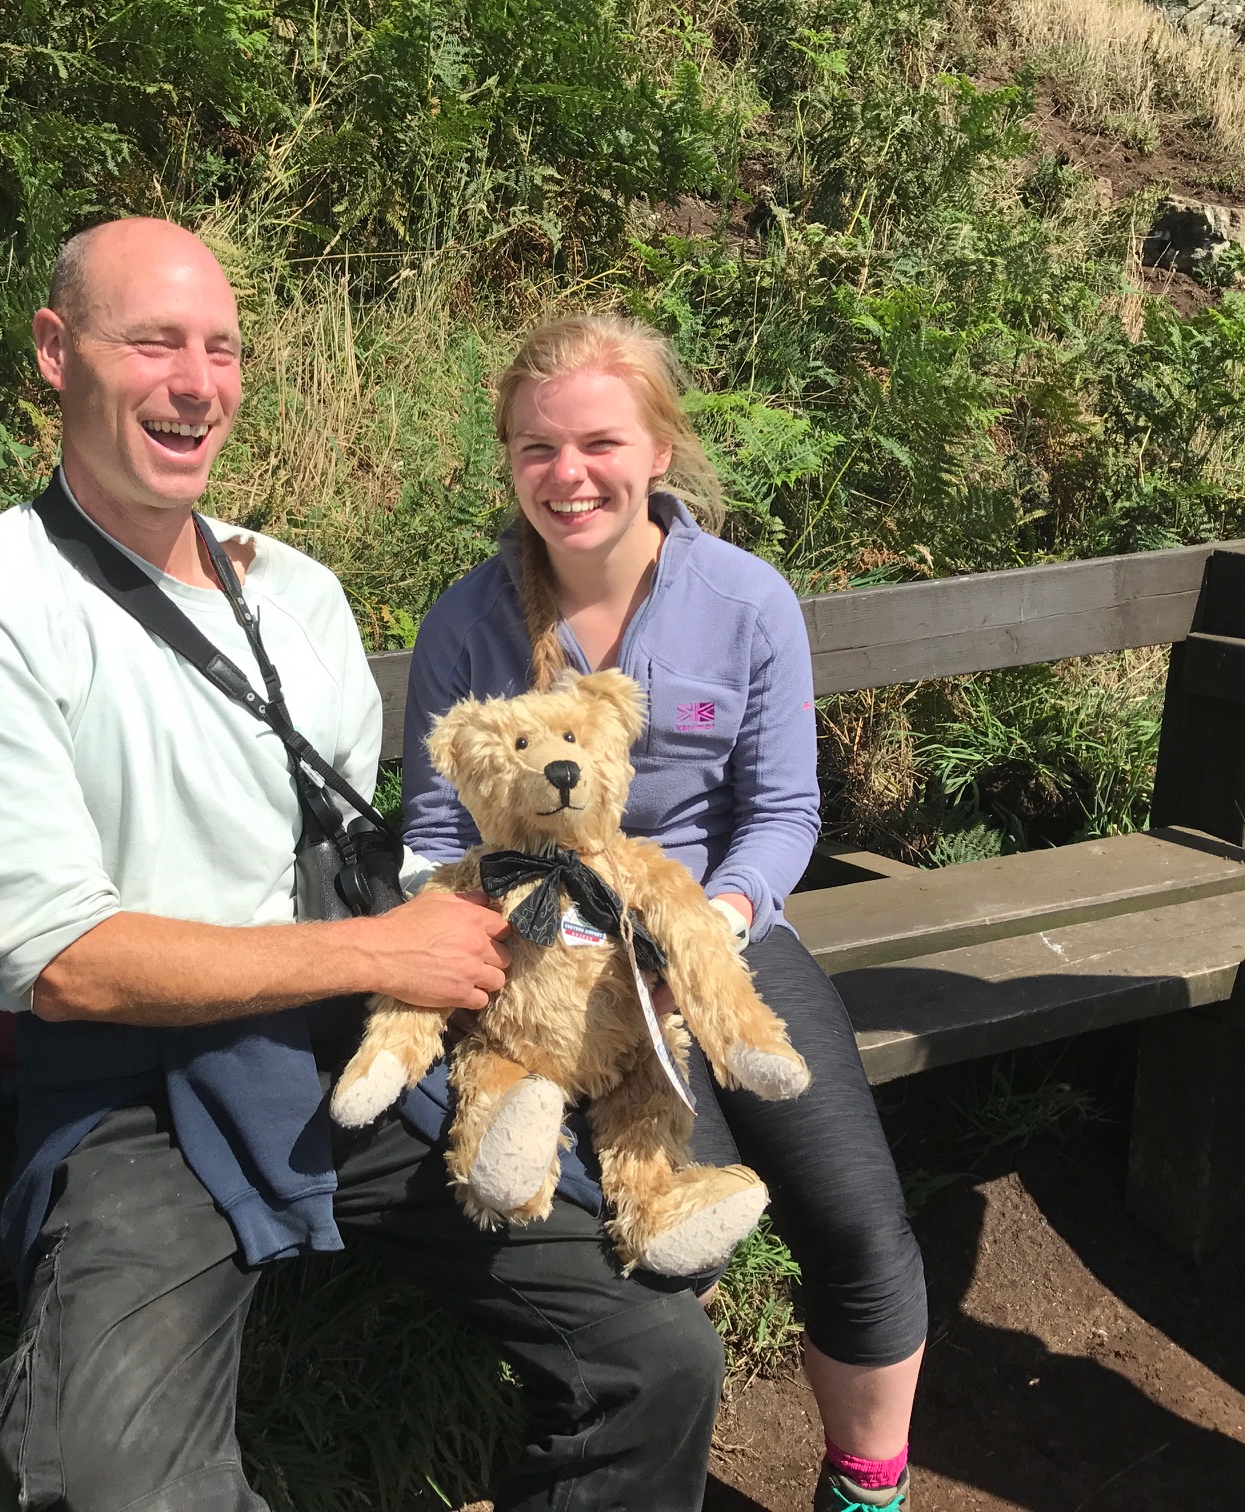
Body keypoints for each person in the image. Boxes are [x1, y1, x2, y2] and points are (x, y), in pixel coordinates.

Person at [0, 223, 725, 1512]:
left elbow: (373, 858)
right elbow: (56, 964)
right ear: (57, 355)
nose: (195, 380)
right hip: (130, 1099)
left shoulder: (296, 592)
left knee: (657, 1351)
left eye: (219, 348)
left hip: (346, 1049)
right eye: (153, 340)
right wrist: (374, 955)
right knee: (122, 1485)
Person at [399, 315, 930, 1512]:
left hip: (718, 938)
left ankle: (866, 1488)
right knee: (665, 1247)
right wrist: (496, 942)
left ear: (659, 451)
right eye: (537, 448)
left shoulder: (744, 601)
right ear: (508, 462)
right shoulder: (465, 623)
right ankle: (662, 1468)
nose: (568, 475)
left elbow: (785, 810)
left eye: (598, 441)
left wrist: (717, 922)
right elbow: (433, 836)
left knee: (855, 1219)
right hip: (548, 968)